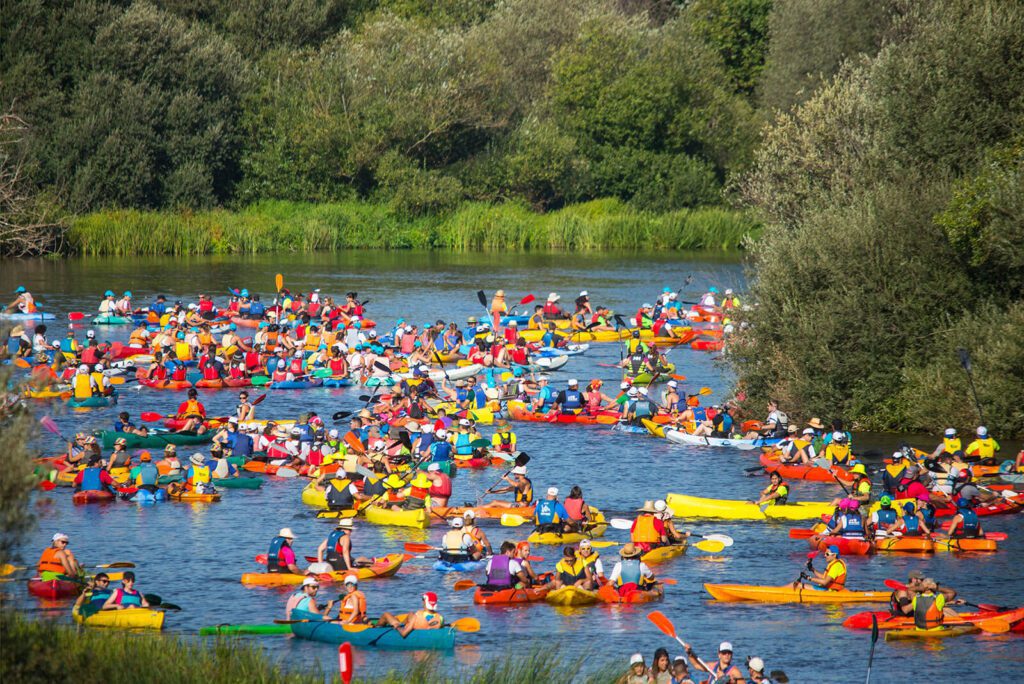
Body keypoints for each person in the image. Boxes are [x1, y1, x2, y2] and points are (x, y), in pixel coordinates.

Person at [378, 592, 445, 637]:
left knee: (386, 614)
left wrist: (397, 627)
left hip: (407, 626)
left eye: (422, 599)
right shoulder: (440, 618)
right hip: (423, 630)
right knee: (409, 615)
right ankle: (398, 621)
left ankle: (376, 627)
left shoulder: (416, 616)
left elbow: (403, 634)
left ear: (424, 601)